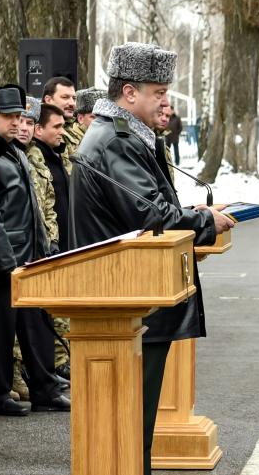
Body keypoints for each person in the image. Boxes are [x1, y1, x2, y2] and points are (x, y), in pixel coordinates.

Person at [69, 42, 233, 475]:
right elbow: (152, 216)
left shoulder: (126, 136)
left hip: (133, 295)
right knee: (127, 424)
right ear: (128, 93)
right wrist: (204, 221)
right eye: (158, 91)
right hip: (125, 298)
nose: (165, 101)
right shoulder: (115, 141)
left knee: (133, 424)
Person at [0, 85, 69, 416]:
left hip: (28, 253)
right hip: (4, 259)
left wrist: (41, 247)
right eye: (8, 116)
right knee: (1, 330)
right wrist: (6, 261)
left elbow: (32, 206)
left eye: (19, 116)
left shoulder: (12, 149)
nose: (17, 123)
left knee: (35, 323)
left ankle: (45, 388)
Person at [29, 103, 73, 376]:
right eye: (56, 127)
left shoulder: (56, 156)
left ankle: (60, 361)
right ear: (38, 129)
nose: (63, 132)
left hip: (64, 242)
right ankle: (54, 364)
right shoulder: (37, 158)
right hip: (46, 246)